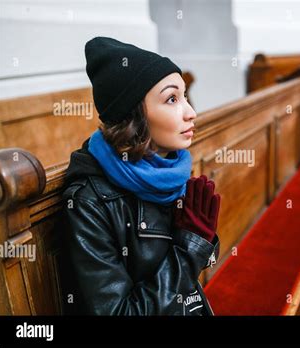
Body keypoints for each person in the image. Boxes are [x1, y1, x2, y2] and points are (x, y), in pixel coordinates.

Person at [58, 37, 220, 315]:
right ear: (134, 116)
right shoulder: (89, 202)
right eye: (172, 99)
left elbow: (199, 267)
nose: (191, 113)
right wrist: (189, 248)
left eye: (185, 97)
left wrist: (203, 240)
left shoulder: (167, 170)